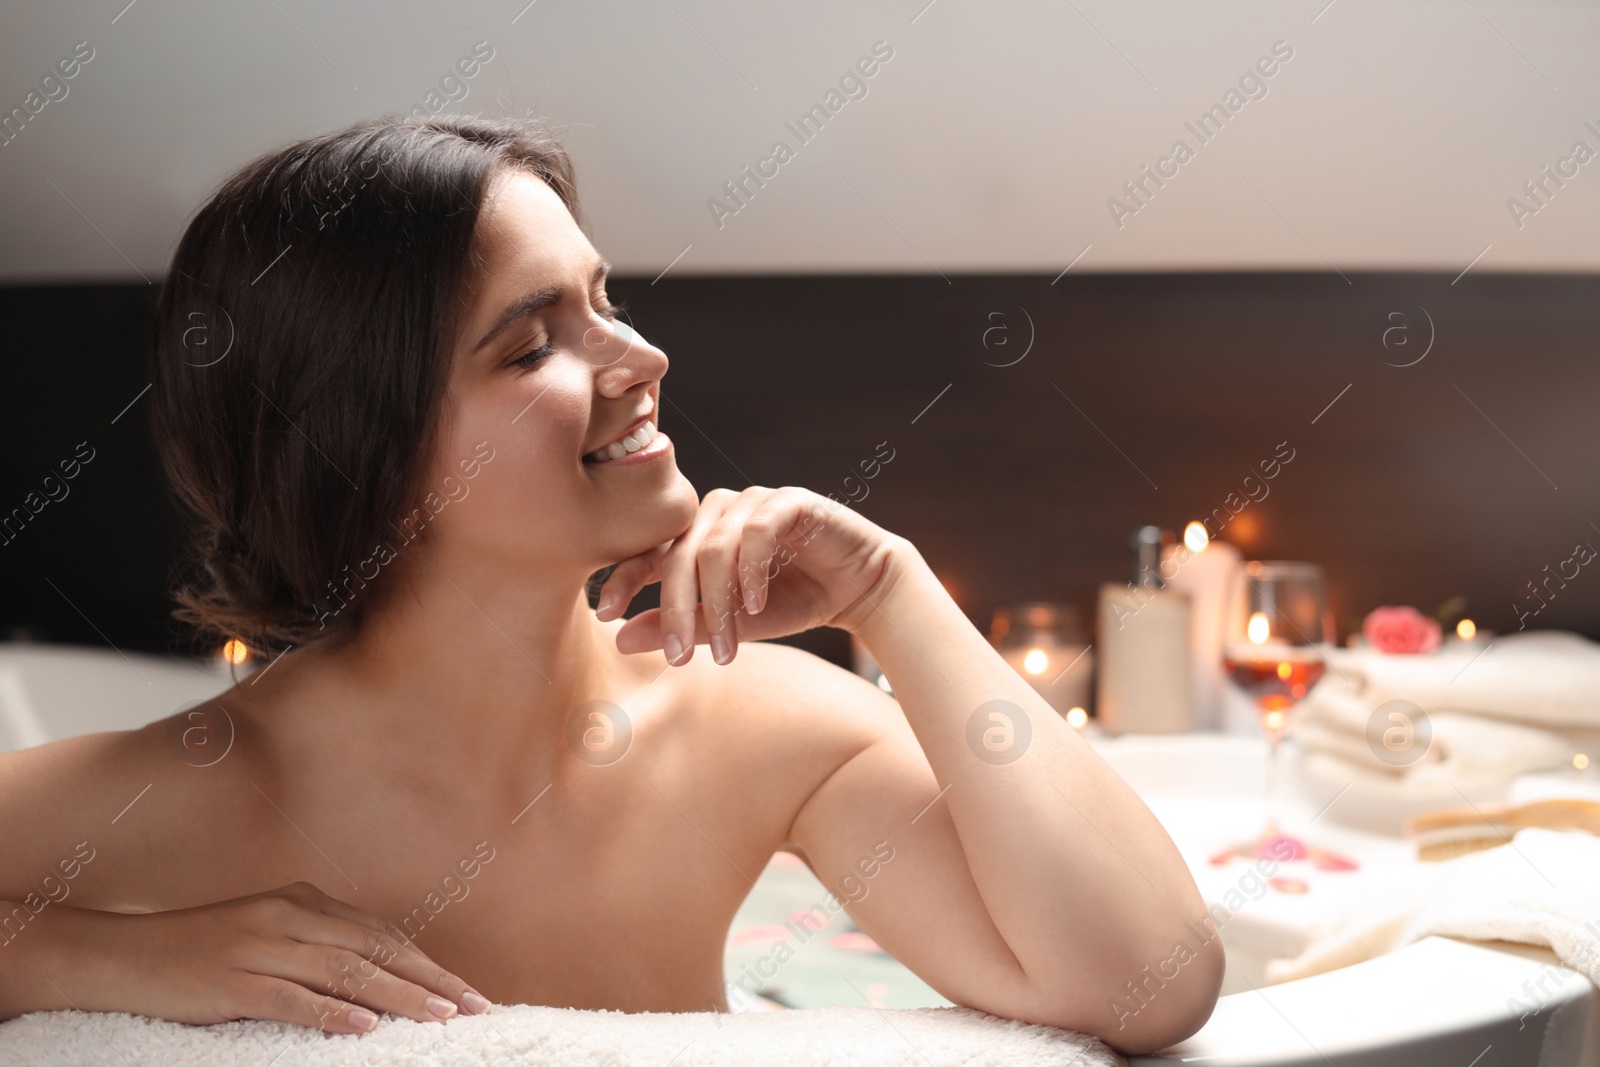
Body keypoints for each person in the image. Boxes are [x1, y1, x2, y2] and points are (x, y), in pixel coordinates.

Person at [0, 115, 1221, 1055]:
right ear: (353, 449)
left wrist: (889, 592)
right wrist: (95, 956)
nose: (641, 357)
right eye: (532, 344)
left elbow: (1145, 981)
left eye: (604, 300)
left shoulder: (755, 726)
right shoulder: (187, 793)